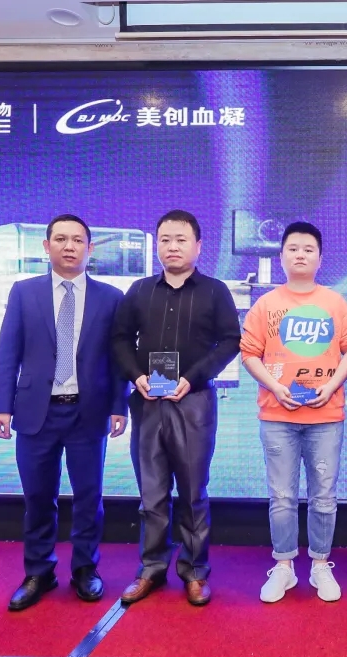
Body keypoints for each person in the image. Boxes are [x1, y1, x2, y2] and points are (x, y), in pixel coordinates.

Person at [0, 213, 128, 612]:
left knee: (88, 497)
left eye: (78, 240)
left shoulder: (110, 298)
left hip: (88, 413)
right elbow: (8, 352)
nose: (69, 246)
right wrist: (2, 406)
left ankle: (85, 568)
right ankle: (39, 571)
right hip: (36, 413)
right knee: (38, 497)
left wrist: (119, 405)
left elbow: (117, 360)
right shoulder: (24, 293)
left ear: (90, 248)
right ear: (46, 246)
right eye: (61, 239)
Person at [111, 209, 241, 607]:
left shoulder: (215, 291)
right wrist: (136, 376)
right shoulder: (139, 290)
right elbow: (119, 339)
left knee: (192, 492)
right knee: (151, 494)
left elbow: (230, 341)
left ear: (198, 246)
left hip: (194, 401)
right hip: (148, 402)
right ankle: (151, 567)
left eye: (181, 240)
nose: (172, 247)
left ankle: (195, 571)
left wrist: (194, 377)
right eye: (165, 239)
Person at [240, 221, 347, 603]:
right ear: (281, 256)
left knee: (324, 495)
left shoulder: (334, 302)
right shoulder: (266, 304)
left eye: (308, 249)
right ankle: (284, 566)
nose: (300, 255)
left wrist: (333, 385)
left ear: (320, 258)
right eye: (293, 248)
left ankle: (321, 564)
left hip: (325, 416)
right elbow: (249, 353)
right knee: (281, 496)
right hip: (277, 415)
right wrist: (275, 387)